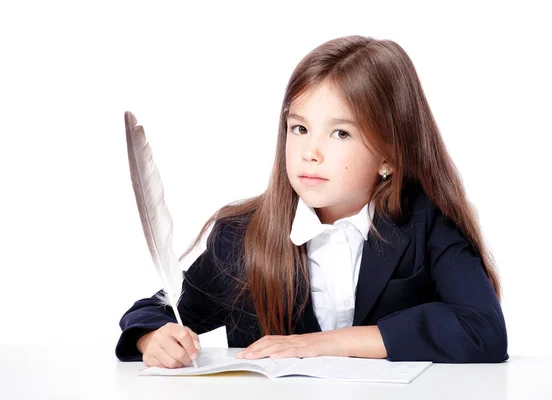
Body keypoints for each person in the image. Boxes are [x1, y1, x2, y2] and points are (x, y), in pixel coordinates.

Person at [116, 35, 508, 368]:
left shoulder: (425, 223)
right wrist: (152, 339)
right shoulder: (241, 237)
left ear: (389, 155)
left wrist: (331, 343)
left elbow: (483, 329)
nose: (311, 152)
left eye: (340, 134)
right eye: (299, 128)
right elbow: (157, 310)